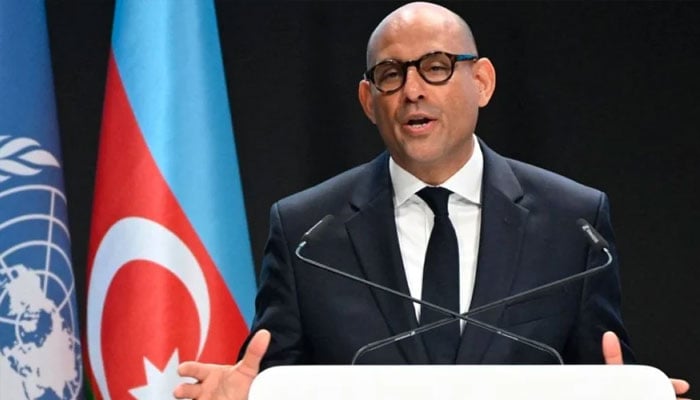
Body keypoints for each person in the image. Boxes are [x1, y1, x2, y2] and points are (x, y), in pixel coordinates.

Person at [174, 2, 689, 399]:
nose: (412, 90)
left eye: (436, 66)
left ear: (482, 81)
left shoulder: (573, 221)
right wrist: (251, 392)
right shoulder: (309, 229)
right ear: (368, 101)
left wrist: (627, 390)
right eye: (391, 75)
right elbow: (273, 378)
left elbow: (601, 371)